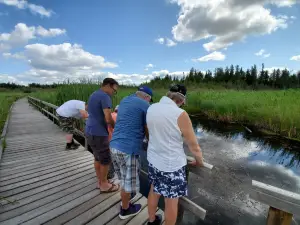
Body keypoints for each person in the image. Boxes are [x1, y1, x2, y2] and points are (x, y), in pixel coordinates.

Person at [146, 84, 205, 225]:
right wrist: (200, 162)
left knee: (154, 191)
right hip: (171, 165)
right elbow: (194, 146)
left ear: (168, 95)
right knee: (171, 201)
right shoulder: (180, 114)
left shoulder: (151, 108)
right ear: (182, 100)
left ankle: (151, 221)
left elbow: (149, 131)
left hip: (153, 160)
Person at [110, 86, 153, 219]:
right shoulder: (145, 104)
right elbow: (147, 127)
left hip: (114, 145)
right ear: (147, 97)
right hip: (128, 149)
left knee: (124, 179)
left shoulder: (125, 100)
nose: (150, 102)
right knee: (128, 184)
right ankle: (125, 209)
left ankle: (126, 200)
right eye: (150, 100)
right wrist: (152, 141)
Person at [85, 78, 120, 193]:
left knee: (97, 158)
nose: (114, 93)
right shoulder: (105, 96)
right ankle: (104, 185)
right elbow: (108, 118)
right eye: (114, 90)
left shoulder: (94, 94)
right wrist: (116, 127)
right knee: (106, 160)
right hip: (99, 133)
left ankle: (100, 181)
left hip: (90, 131)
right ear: (109, 86)